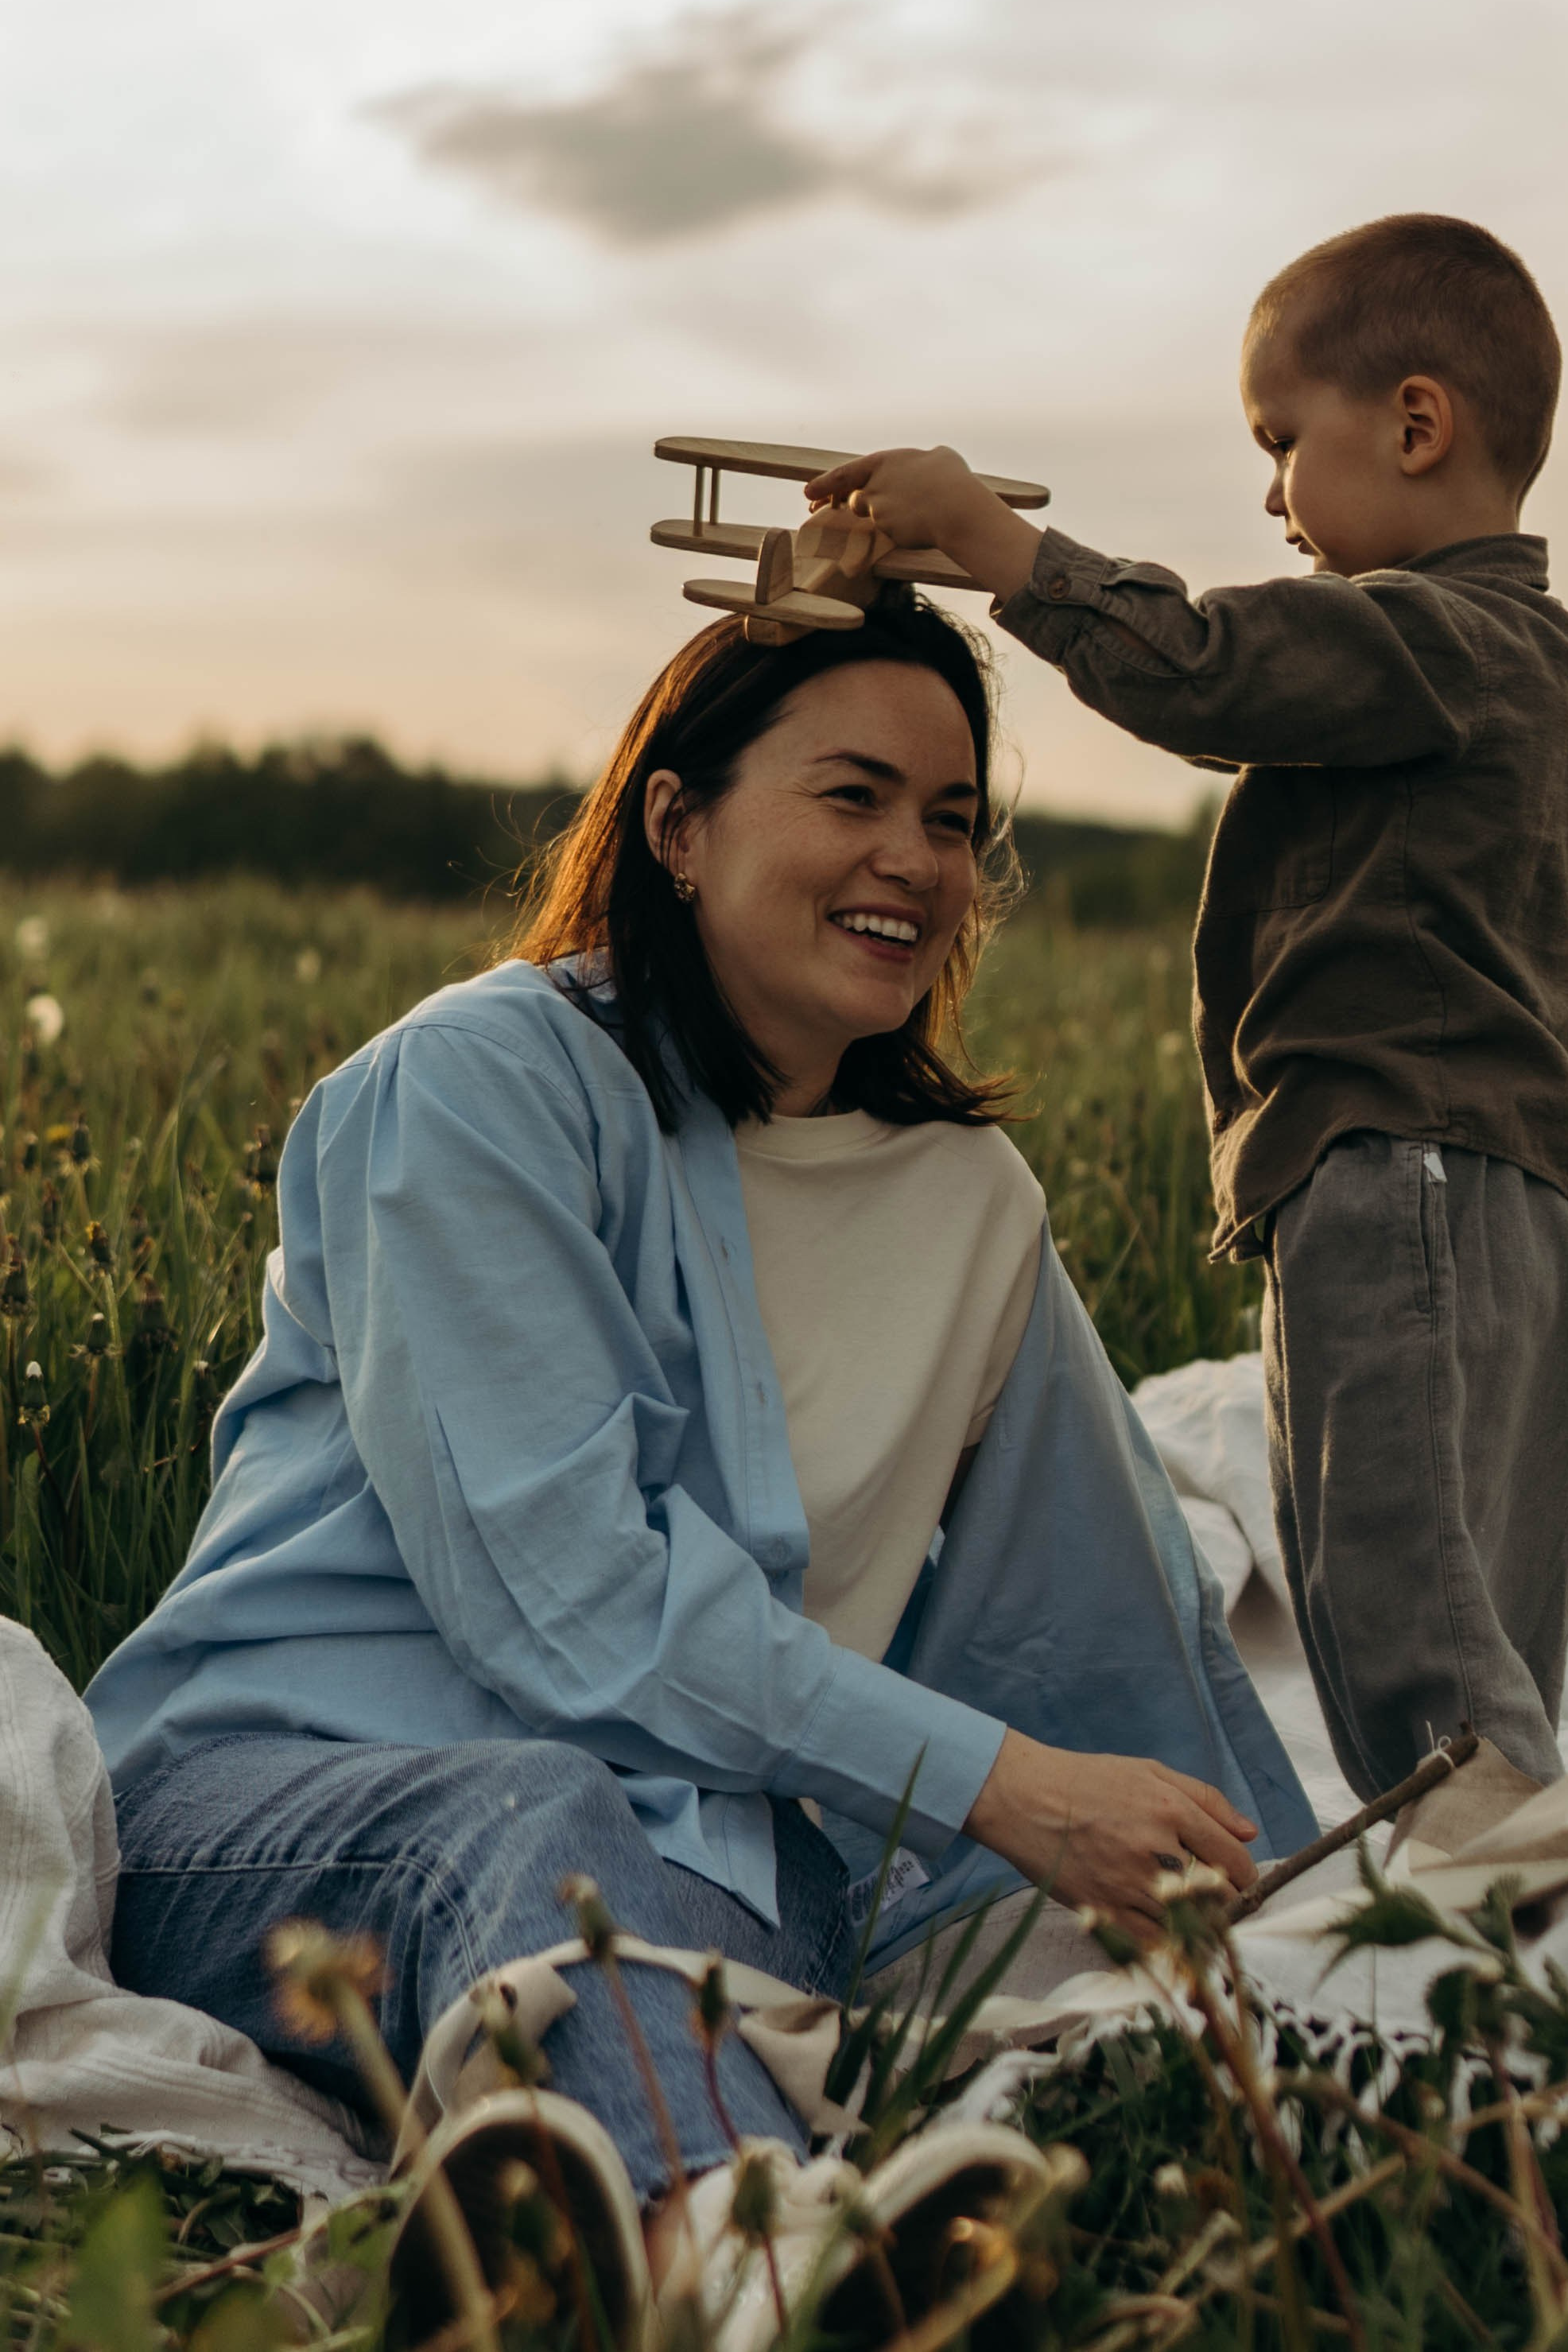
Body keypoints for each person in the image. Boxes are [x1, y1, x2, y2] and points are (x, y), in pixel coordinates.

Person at [86, 588, 1314, 2342]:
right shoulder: (474, 1091)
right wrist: (998, 1785)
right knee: (537, 1808)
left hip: (721, 1879)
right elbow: (565, 1602)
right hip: (292, 1817)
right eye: (852, 795)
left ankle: (605, 2255)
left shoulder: (970, 1207)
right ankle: (743, 2272)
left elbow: (1090, 1617)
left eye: (953, 820)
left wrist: (1287, 1928)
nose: (913, 856)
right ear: (677, 823)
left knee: (713, 1892)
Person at [805, 212, 1568, 1808]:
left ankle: (1472, 1919)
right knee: (1459, 1624)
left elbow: (1215, 667)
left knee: (1407, 1632)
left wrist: (1000, 552)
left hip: (1400, 1177)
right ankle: (1494, 1901)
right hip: (1507, 1202)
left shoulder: (1445, 638)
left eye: (1279, 441)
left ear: (1410, 421)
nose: (1268, 495)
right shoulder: (1535, 658)